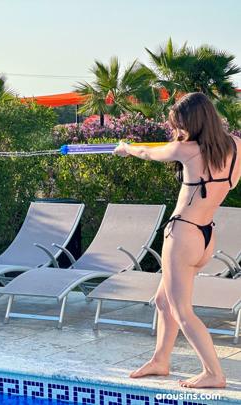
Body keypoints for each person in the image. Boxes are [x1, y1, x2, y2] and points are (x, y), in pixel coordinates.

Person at [113, 92, 240, 389]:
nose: (178, 130)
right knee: (163, 300)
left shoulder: (187, 150)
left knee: (182, 311)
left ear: (193, 122)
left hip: (182, 235)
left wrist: (125, 148)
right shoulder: (236, 145)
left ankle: (213, 373)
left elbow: (147, 153)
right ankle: (160, 360)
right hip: (205, 235)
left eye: (180, 124)